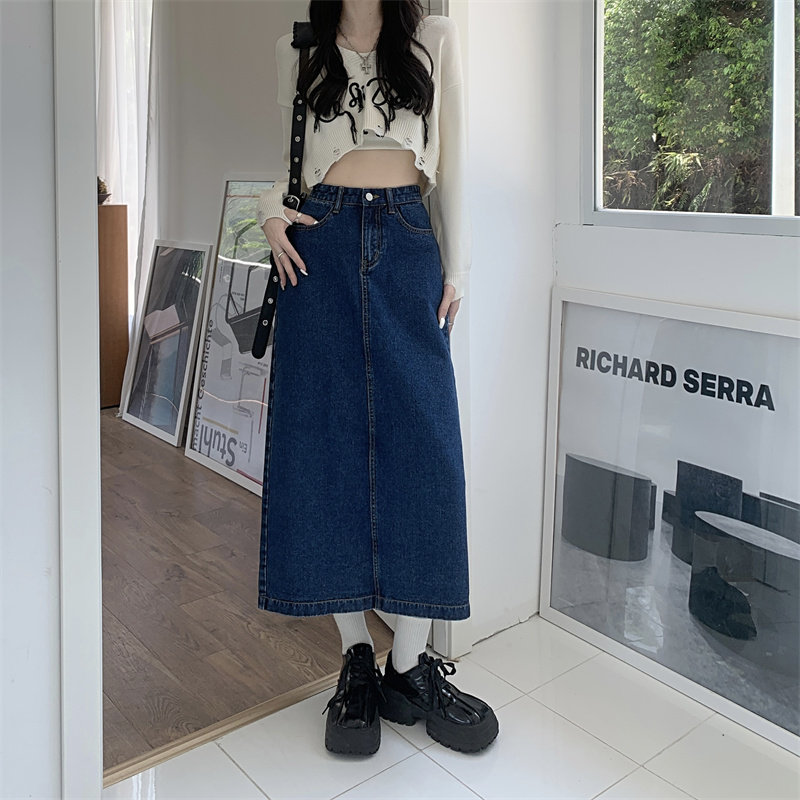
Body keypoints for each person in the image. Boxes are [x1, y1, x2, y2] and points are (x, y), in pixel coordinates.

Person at [256, 0, 498, 756]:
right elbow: (286, 165)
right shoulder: (298, 48)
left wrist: (458, 268)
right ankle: (356, 659)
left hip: (407, 239)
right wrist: (269, 213)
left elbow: (454, 162)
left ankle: (408, 667)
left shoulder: (432, 39)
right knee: (322, 447)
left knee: (425, 454)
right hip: (317, 248)